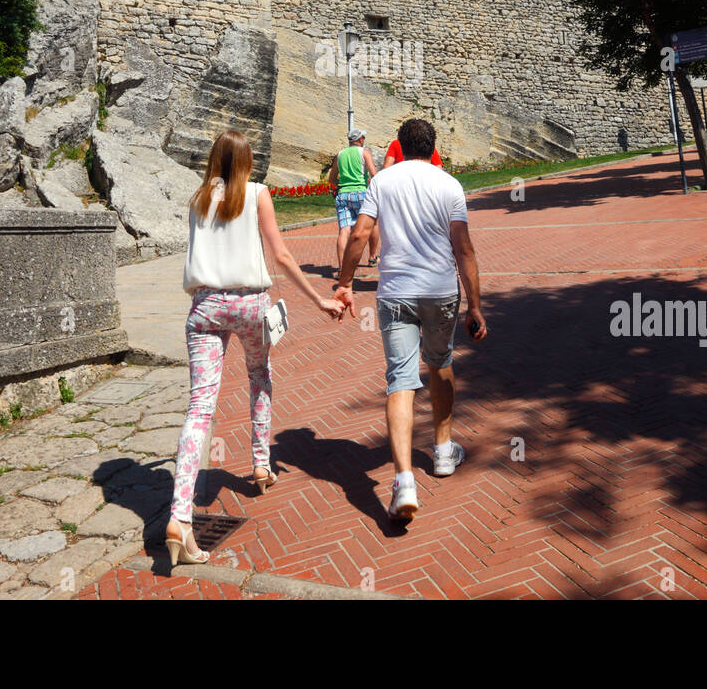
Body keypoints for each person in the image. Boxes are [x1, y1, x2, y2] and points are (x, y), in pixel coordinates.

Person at [167, 130, 350, 566]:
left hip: (206, 306)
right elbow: (282, 256)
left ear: (214, 159)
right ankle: (261, 463)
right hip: (249, 304)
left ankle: (179, 515)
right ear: (247, 161)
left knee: (199, 408)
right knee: (259, 377)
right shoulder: (257, 193)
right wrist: (320, 299)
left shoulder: (197, 198)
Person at [334, 118, 487, 522]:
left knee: (400, 380)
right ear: (433, 146)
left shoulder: (383, 182)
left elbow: (360, 234)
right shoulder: (448, 184)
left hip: (396, 293)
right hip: (439, 290)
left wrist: (345, 281)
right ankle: (442, 451)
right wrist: (474, 305)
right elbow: (464, 250)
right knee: (440, 365)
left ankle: (403, 480)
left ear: (399, 147)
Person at [329, 127, 381, 269]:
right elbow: (373, 174)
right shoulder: (364, 152)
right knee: (373, 224)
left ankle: (341, 267)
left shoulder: (340, 155)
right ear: (360, 139)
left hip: (343, 194)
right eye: (363, 138)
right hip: (360, 193)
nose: (364, 140)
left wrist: (341, 185)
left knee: (344, 231)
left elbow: (332, 179)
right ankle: (371, 257)